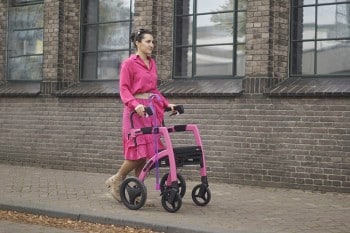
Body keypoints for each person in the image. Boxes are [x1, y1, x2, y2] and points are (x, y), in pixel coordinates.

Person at [105, 28, 176, 201]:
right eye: (148, 41)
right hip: (135, 112)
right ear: (138, 42)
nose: (152, 45)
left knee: (148, 154)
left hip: (151, 110)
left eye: (153, 42)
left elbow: (153, 90)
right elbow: (124, 89)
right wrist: (135, 104)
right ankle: (117, 179)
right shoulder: (129, 63)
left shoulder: (152, 63)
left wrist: (167, 104)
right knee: (138, 152)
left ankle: (136, 193)